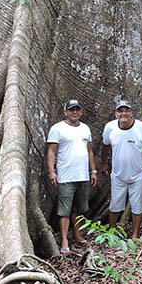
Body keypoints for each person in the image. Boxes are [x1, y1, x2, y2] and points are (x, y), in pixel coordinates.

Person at [101, 99, 142, 240]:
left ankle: (135, 235)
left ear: (131, 113)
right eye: (120, 111)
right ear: (116, 114)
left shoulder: (141, 128)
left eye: (126, 110)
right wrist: (104, 164)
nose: (124, 113)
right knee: (114, 205)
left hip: (138, 175)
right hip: (118, 175)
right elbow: (105, 146)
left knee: (137, 206)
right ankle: (112, 233)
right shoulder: (110, 127)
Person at [46, 99, 98, 254]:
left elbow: (89, 151)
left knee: (79, 208)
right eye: (71, 110)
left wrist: (93, 171)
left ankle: (77, 234)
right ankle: (64, 240)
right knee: (64, 211)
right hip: (66, 177)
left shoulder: (85, 129)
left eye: (77, 109)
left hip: (83, 176)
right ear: (65, 112)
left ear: (81, 111)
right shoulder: (57, 129)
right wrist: (51, 171)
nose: (74, 112)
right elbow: (51, 152)